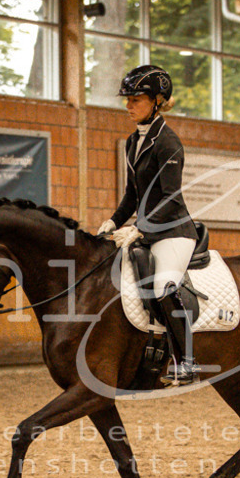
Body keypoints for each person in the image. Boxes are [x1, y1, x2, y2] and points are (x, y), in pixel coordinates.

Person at [97, 65, 201, 385]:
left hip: (174, 231)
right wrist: (113, 221)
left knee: (163, 286)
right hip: (146, 230)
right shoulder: (133, 141)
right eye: (127, 100)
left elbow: (171, 197)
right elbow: (132, 194)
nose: (128, 106)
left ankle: (188, 360)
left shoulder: (168, 142)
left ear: (157, 101)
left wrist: (140, 228)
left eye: (136, 100)